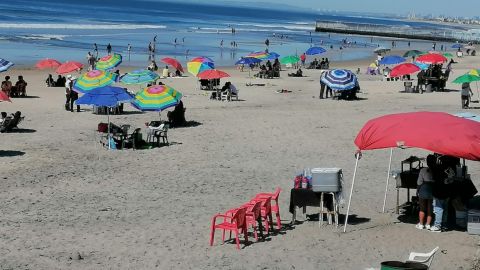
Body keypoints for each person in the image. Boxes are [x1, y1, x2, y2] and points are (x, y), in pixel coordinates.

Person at [415, 155, 436, 230]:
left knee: (422, 209)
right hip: (432, 190)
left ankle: (421, 224)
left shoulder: (423, 170)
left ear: (427, 162)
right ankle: (428, 224)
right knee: (430, 209)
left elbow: (419, 182)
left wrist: (417, 190)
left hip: (423, 190)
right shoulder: (437, 170)